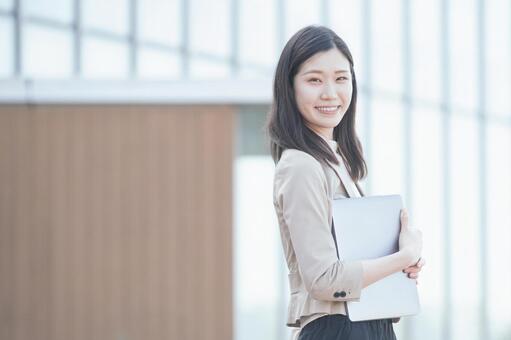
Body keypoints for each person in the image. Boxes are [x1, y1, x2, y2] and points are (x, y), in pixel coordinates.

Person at [266, 25, 425, 340]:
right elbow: (324, 279)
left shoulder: (336, 161)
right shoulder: (301, 165)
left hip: (369, 324)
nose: (330, 92)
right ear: (290, 87)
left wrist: (401, 260)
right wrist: (402, 258)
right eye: (314, 80)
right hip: (339, 329)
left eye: (341, 78)